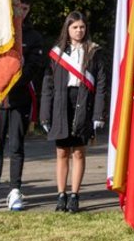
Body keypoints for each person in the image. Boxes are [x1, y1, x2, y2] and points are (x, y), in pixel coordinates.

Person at [0, 2, 44, 212]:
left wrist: (12, 81)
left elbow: (34, 67)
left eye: (25, 8)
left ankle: (15, 190)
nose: (20, 12)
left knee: (16, 146)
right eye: (17, 8)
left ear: (28, 11)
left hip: (18, 98)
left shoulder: (32, 37)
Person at [40, 12, 109, 213]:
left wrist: (98, 114)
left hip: (84, 102)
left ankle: (74, 195)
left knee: (78, 151)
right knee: (62, 151)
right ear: (67, 29)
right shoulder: (57, 53)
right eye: (75, 27)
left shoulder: (94, 52)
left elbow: (102, 85)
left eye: (82, 27)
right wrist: (45, 114)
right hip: (62, 103)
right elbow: (48, 86)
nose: (79, 31)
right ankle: (61, 195)